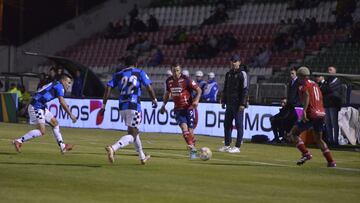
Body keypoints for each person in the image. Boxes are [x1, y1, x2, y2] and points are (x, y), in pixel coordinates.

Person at [102, 55, 158, 165]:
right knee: (133, 134)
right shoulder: (139, 72)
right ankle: (113, 148)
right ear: (136, 64)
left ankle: (142, 157)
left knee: (134, 131)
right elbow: (149, 87)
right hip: (134, 105)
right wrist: (154, 99)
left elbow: (108, 87)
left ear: (125, 64)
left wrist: (103, 106)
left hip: (122, 106)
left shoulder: (119, 74)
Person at [12, 74, 77, 154]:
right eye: (69, 82)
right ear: (63, 81)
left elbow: (38, 93)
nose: (69, 85)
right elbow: (62, 102)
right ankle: (18, 141)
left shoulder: (55, 84)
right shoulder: (60, 86)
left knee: (55, 123)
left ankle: (63, 147)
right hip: (36, 107)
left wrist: (26, 107)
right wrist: (70, 114)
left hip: (40, 106)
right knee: (41, 131)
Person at [287, 66, 336, 167]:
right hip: (321, 114)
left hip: (311, 113)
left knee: (293, 134)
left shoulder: (303, 84)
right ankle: (331, 161)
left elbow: (307, 95)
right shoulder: (315, 84)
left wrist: (304, 111)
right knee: (319, 139)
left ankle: (306, 154)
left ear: (300, 76)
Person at [160, 63, 202, 159]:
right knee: (184, 129)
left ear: (180, 70)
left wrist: (196, 100)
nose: (176, 72)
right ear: (171, 70)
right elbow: (167, 94)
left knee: (191, 131)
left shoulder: (186, 80)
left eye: (177, 70)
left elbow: (199, 90)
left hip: (189, 108)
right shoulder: (169, 81)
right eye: (174, 70)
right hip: (178, 109)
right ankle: (193, 150)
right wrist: (163, 105)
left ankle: (193, 148)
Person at [219, 54, 248, 153]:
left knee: (239, 125)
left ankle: (237, 146)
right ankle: (227, 145)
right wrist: (223, 100)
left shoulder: (242, 74)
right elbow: (226, 88)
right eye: (232, 61)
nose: (233, 63)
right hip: (229, 103)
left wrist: (243, 104)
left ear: (239, 62)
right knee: (227, 124)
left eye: (235, 61)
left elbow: (245, 90)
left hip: (238, 104)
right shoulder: (229, 74)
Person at [323, 66, 343, 146]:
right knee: (328, 123)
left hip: (333, 105)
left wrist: (328, 90)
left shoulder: (338, 81)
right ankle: (330, 140)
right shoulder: (327, 80)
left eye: (331, 70)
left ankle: (336, 140)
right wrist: (328, 90)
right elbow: (323, 89)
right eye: (328, 70)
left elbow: (332, 91)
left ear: (335, 71)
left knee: (334, 123)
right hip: (327, 104)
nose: (329, 71)